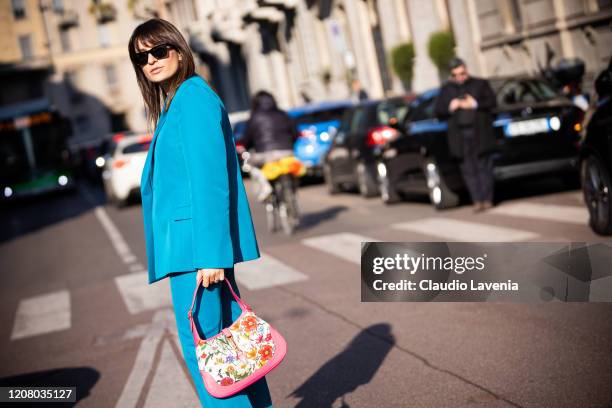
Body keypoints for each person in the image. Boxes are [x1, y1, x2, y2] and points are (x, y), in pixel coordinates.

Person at [129, 18, 273, 407]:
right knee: (231, 350)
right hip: (194, 250)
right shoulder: (179, 100)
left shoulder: (191, 98)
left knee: (211, 358)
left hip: (196, 253)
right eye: (142, 57)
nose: (152, 61)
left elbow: (209, 180)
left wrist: (211, 253)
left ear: (178, 48)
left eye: (159, 50)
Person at [434, 57, 497, 212]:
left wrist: (474, 103)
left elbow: (492, 103)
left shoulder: (480, 84)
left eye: (462, 73)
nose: (460, 78)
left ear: (466, 70)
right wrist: (451, 106)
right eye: (456, 75)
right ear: (451, 75)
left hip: (480, 134)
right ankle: (477, 200)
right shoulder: (447, 89)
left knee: (484, 167)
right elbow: (438, 111)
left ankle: (487, 199)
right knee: (468, 169)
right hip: (460, 136)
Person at [241, 91, 298, 202]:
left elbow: (246, 140)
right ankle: (293, 190)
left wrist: (248, 147)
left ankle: (265, 186)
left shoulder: (253, 118)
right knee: (293, 169)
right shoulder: (283, 114)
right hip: (287, 152)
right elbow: (294, 133)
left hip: (264, 155)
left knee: (250, 165)